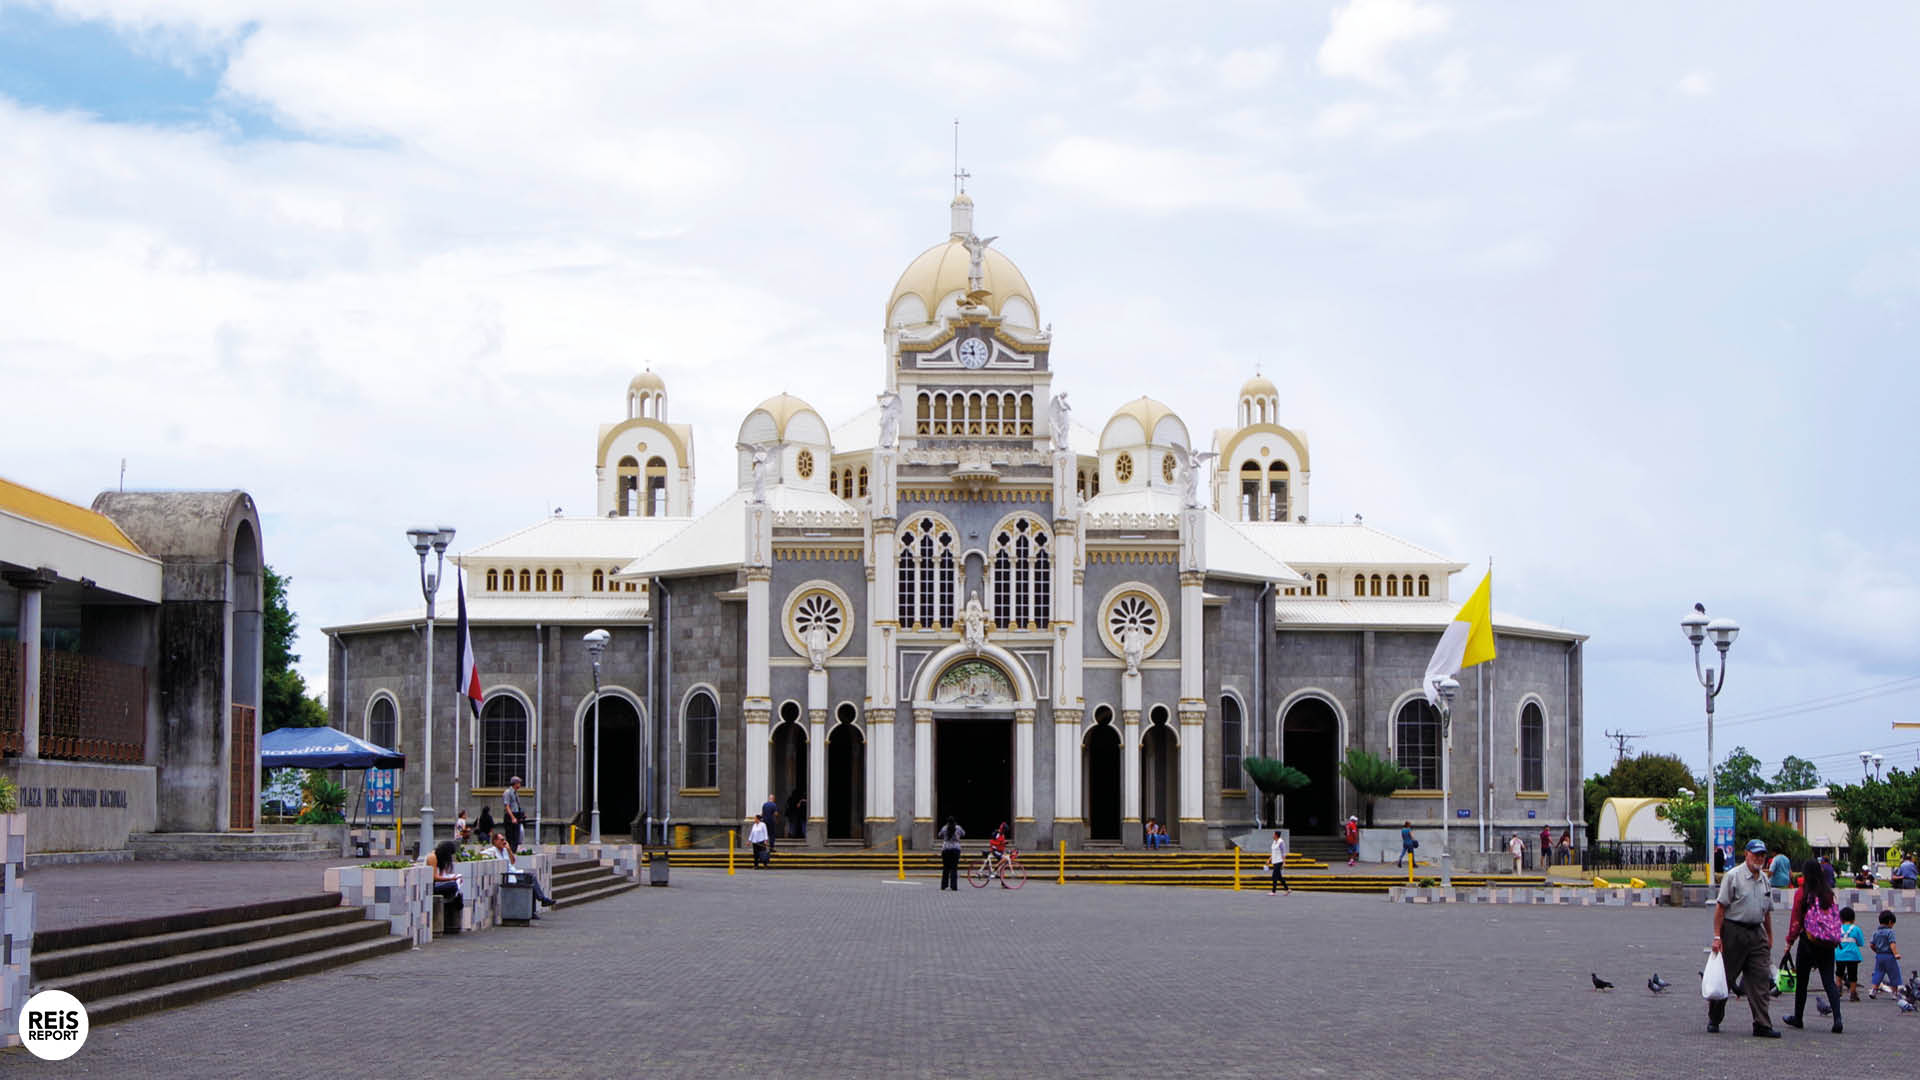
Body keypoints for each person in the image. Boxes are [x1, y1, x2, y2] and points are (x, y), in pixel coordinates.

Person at [1708, 838, 1780, 1037]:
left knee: (1760, 980)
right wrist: (1717, 936)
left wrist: (1770, 936)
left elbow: (1767, 912)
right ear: (1746, 854)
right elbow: (1720, 907)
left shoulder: (1764, 879)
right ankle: (1714, 1018)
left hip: (1756, 933)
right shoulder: (1733, 876)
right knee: (1726, 978)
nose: (1759, 858)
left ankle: (1762, 1024)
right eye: (1755, 854)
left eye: (1762, 855)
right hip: (1734, 931)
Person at [1781, 856, 1844, 1033]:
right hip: (1827, 944)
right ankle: (1837, 1019)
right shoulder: (1828, 893)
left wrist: (1789, 942)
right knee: (1828, 981)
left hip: (1808, 942)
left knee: (1802, 981)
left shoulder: (1802, 893)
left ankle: (1798, 1018)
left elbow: (1796, 921)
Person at [491, 832, 554, 911]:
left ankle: (537, 905)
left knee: (531, 879)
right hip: (508, 876)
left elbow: (513, 861)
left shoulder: (504, 850)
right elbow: (483, 855)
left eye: (504, 840)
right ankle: (542, 900)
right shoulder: (492, 851)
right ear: (495, 841)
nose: (504, 842)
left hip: (514, 873)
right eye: (502, 840)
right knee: (531, 878)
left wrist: (509, 849)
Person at [426, 839, 464, 930]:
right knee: (453, 886)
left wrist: (453, 877)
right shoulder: (432, 857)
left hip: (437, 884)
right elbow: (435, 877)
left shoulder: (440, 859)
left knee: (456, 887)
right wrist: (452, 878)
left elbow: (442, 875)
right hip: (431, 886)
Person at [1867, 911, 1901, 997]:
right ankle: (1895, 993)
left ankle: (1873, 990)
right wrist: (1896, 954)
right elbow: (1892, 944)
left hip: (1879, 956)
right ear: (1890, 922)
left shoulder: (1876, 933)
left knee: (1878, 972)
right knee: (1894, 974)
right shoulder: (1890, 932)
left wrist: (1877, 951)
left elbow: (1871, 945)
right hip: (1889, 956)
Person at [1836, 906, 1865, 1003]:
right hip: (1853, 955)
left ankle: (1838, 989)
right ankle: (1853, 993)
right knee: (1853, 975)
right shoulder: (1856, 929)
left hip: (1839, 955)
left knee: (1839, 973)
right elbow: (1860, 942)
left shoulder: (1837, 928)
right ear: (1853, 918)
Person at [937, 816, 965, 891]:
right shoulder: (958, 828)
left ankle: (944, 885)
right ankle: (954, 886)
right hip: (956, 849)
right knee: (954, 868)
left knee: (946, 868)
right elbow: (963, 834)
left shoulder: (944, 828)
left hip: (946, 849)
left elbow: (939, 835)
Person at [502, 778, 527, 850]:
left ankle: (514, 850)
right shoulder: (508, 792)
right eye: (519, 783)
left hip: (516, 815)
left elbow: (516, 805)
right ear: (515, 783)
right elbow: (507, 806)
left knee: (517, 836)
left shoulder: (515, 793)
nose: (520, 785)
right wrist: (512, 817)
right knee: (511, 836)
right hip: (510, 816)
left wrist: (521, 814)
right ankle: (510, 851)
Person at [988, 822, 1011, 887]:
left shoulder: (1002, 834)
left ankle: (1003, 883)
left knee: (1003, 866)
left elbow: (1001, 843)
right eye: (1004, 830)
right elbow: (992, 842)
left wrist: (1004, 844)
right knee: (1004, 859)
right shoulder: (997, 833)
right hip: (995, 850)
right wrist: (1001, 843)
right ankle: (995, 869)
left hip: (1000, 851)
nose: (1005, 831)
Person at [1268, 830, 1291, 895]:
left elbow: (1283, 852)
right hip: (1275, 861)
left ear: (1276, 835)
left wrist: (1284, 862)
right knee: (1279, 877)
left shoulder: (1281, 842)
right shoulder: (1274, 842)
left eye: (1273, 834)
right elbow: (1273, 852)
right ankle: (1287, 889)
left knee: (1274, 876)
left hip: (1279, 861)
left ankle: (1273, 891)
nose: (1273, 835)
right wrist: (1269, 859)